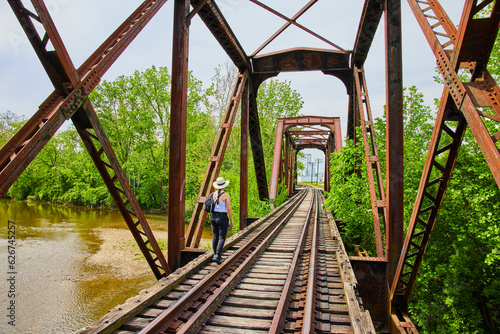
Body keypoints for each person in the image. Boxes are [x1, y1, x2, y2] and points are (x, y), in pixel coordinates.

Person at [210, 176, 234, 264]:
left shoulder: (213, 194)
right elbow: (228, 208)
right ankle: (217, 255)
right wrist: (231, 219)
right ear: (224, 186)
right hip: (222, 217)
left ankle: (216, 254)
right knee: (222, 237)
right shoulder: (226, 195)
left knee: (215, 236)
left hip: (213, 217)